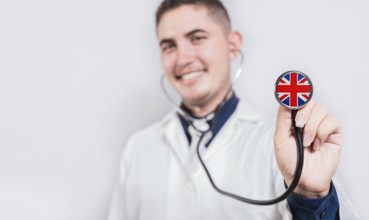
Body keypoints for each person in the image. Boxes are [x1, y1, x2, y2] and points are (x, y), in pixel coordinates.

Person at [108, 0, 359, 219]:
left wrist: (310, 196)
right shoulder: (138, 148)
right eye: (168, 46)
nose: (183, 58)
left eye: (197, 38)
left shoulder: (291, 145)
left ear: (232, 45)